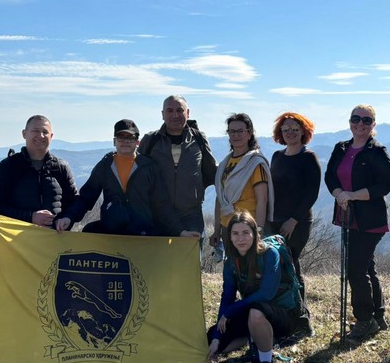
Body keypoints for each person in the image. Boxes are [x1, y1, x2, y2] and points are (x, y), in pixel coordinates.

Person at [207, 212, 301, 363]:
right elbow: (227, 297)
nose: (241, 238)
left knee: (256, 313)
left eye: (245, 232)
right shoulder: (231, 262)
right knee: (210, 342)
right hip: (252, 310)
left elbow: (267, 293)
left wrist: (232, 310)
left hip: (284, 314)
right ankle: (254, 338)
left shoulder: (269, 254)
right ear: (229, 237)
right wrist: (218, 336)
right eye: (235, 234)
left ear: (254, 233)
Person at [56, 119, 200, 238]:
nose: (125, 141)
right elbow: (86, 197)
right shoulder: (105, 166)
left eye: (130, 137)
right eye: (121, 137)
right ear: (114, 141)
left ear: (138, 142)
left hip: (142, 235)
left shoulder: (149, 167)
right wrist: (69, 217)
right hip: (111, 232)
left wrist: (180, 231)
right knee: (89, 231)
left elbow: (162, 204)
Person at [325, 105, 390, 341]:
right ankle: (378, 314)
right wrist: (338, 193)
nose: (360, 123)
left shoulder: (377, 151)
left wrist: (351, 195)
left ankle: (365, 321)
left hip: (370, 219)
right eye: (356, 119)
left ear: (373, 124)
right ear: (350, 121)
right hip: (347, 215)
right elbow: (330, 176)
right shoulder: (341, 148)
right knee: (366, 266)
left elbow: (384, 186)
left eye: (366, 120)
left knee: (356, 269)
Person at [137, 95, 217, 234]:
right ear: (162, 114)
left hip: (191, 216)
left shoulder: (199, 139)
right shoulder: (150, 140)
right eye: (169, 111)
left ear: (188, 113)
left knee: (189, 256)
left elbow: (211, 172)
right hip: (157, 216)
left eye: (180, 110)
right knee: (158, 256)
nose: (175, 115)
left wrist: (195, 193)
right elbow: (137, 174)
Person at [0, 115, 78, 228]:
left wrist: (66, 218)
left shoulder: (61, 168)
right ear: (24, 134)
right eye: (35, 131)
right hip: (17, 240)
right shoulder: (7, 167)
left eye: (45, 132)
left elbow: (74, 202)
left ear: (51, 136)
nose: (41, 135)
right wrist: (30, 217)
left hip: (55, 238)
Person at [268, 112, 321, 297]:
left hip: (297, 222)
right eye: (286, 129)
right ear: (280, 132)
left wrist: (293, 220)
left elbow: (311, 194)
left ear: (303, 131)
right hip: (273, 218)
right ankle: (281, 307)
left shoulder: (308, 158)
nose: (290, 132)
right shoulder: (277, 156)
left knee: (290, 262)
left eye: (295, 129)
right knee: (274, 263)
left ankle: (299, 310)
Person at [209, 113, 273, 248]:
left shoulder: (255, 163)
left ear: (249, 134)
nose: (236, 135)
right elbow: (220, 198)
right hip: (228, 226)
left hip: (247, 228)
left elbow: (262, 199)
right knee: (232, 267)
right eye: (232, 131)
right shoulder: (224, 163)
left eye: (240, 131)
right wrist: (217, 230)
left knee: (249, 267)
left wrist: (259, 231)